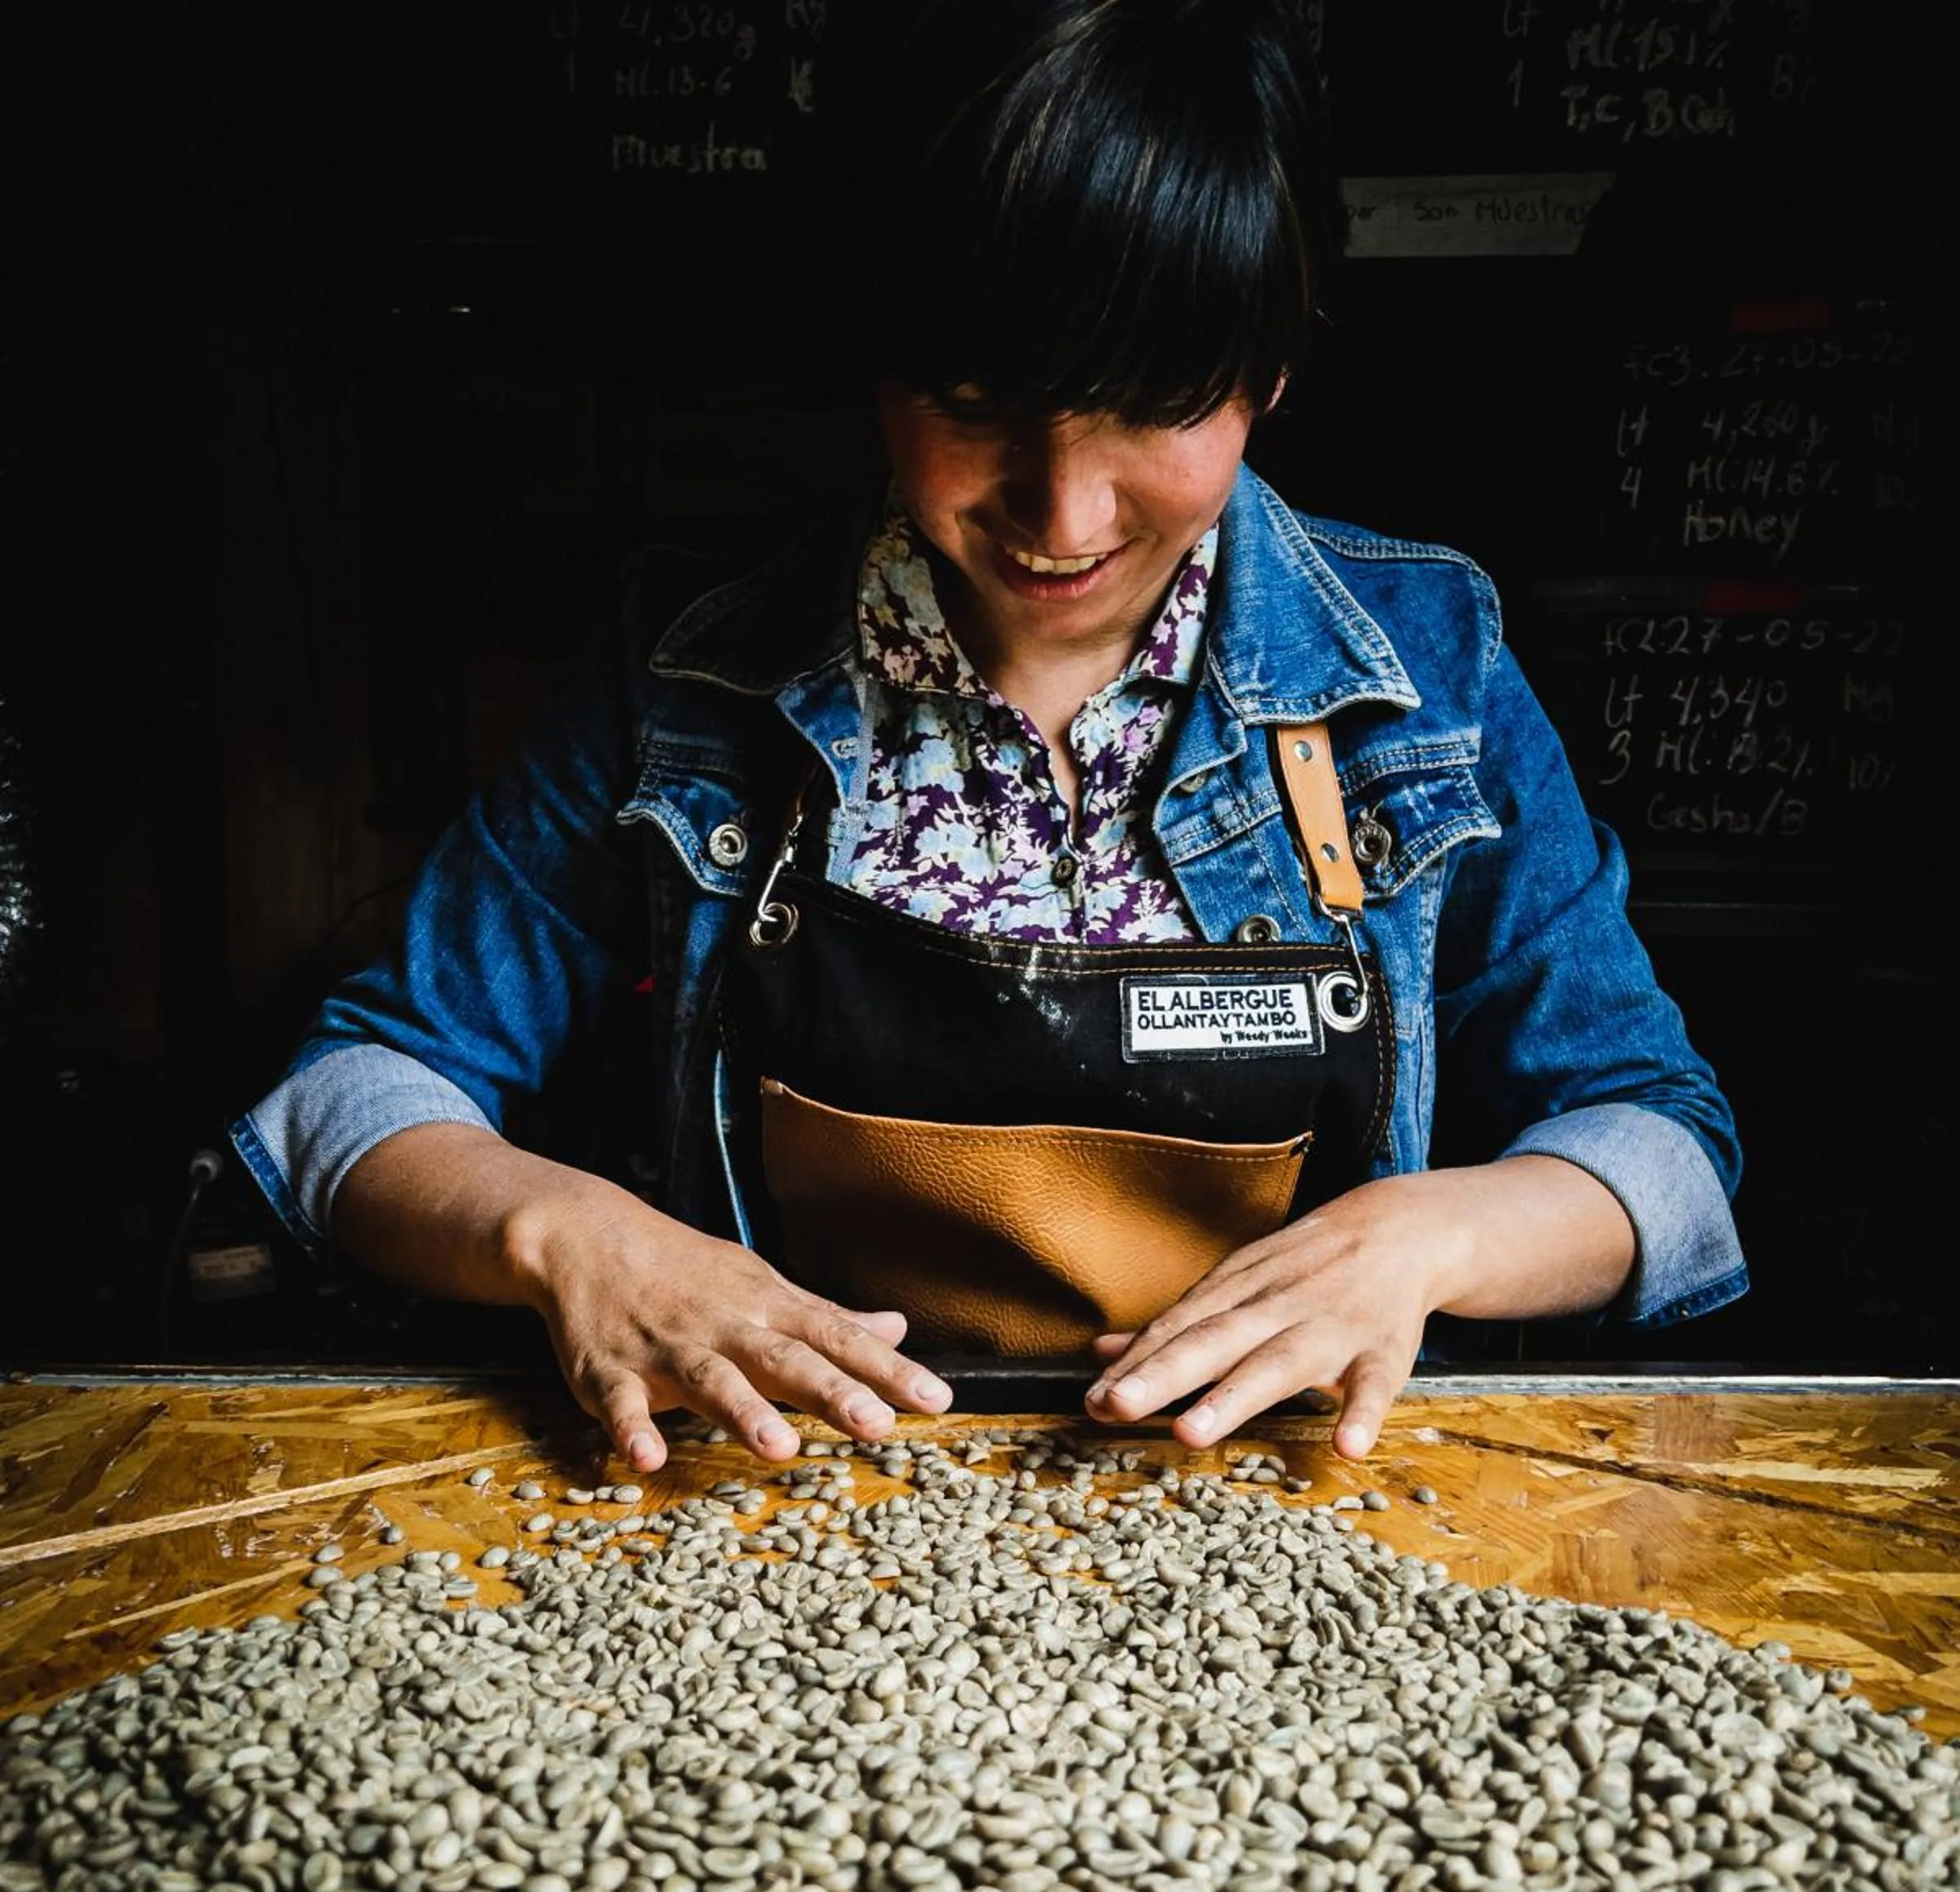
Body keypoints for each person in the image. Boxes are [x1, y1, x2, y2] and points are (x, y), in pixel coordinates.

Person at [230, 0, 1746, 1477]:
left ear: (1271, 364)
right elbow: (350, 1100)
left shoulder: (1426, 669)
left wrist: (1431, 1238)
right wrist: (572, 1237)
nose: (1060, 513)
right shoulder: (687, 676)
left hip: (1293, 1514)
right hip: (789, 1510)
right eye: (975, 404)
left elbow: (1666, 1156)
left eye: (1153, 408)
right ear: (879, 361)